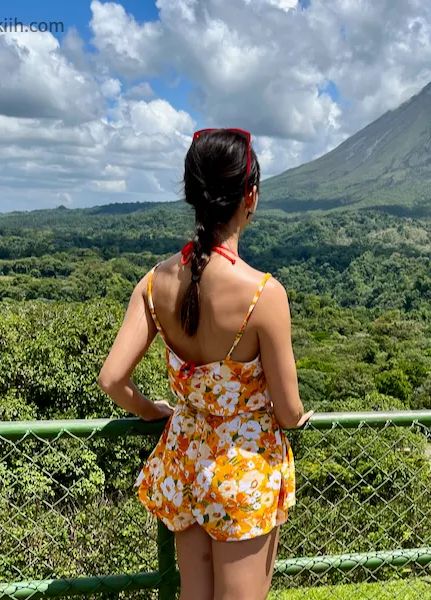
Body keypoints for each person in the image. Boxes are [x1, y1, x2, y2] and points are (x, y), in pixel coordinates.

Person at [98, 128, 312, 600]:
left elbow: (113, 378)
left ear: (192, 194)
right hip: (244, 468)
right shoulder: (264, 294)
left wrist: (155, 411)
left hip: (184, 459)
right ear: (249, 196)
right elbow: (289, 411)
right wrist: (299, 417)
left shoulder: (154, 283)